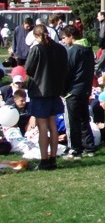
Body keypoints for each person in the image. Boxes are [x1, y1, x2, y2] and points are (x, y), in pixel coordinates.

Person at [25, 24, 68, 170]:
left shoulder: (36, 49)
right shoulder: (60, 48)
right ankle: (53, 158)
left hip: (40, 91)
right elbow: (64, 67)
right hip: (55, 90)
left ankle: (44, 160)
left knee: (42, 126)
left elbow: (29, 69)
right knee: (53, 124)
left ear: (36, 35)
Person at [61, 25, 97, 160]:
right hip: (85, 89)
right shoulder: (88, 49)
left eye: (64, 38)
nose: (63, 41)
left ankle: (75, 149)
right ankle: (89, 147)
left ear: (71, 36)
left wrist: (63, 90)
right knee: (84, 119)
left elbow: (67, 71)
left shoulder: (73, 50)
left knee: (73, 121)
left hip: (73, 90)